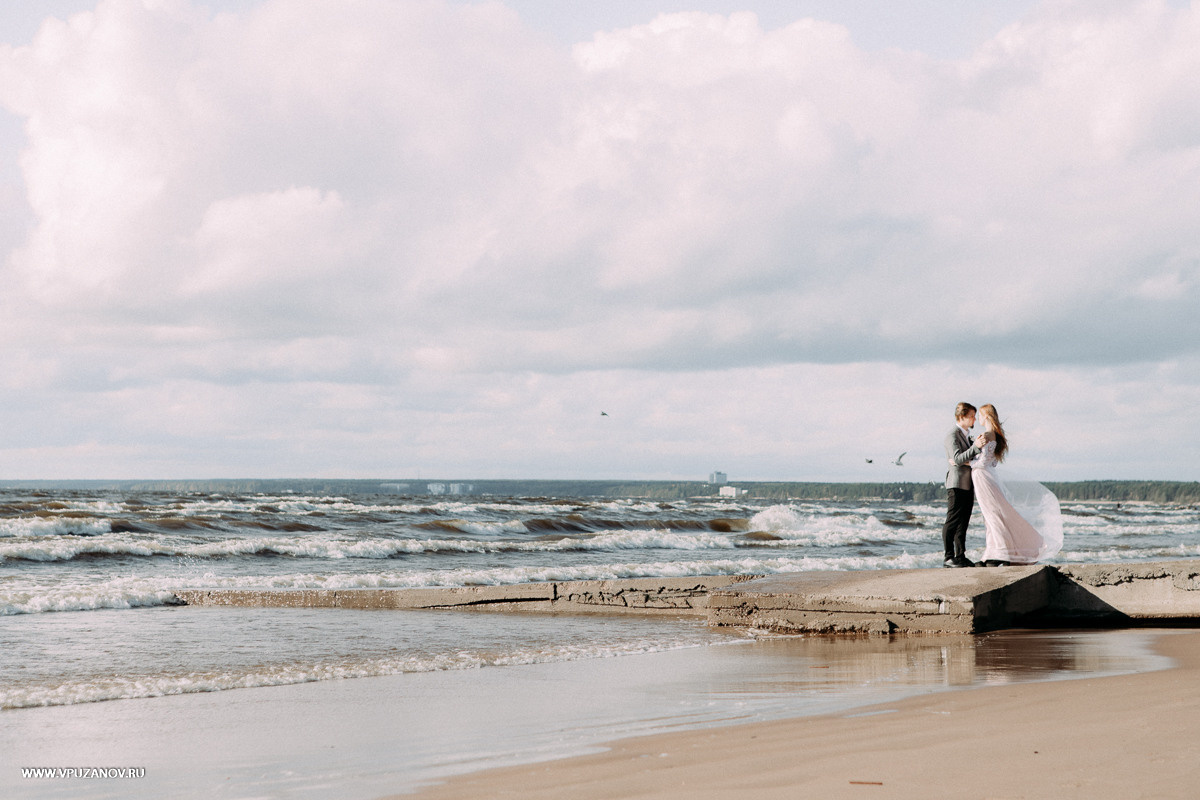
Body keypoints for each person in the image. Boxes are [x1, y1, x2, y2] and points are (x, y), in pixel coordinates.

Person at [969, 404, 1063, 565]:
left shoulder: (986, 435)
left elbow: (983, 461)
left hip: (983, 477)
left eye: (980, 415)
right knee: (995, 514)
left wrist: (966, 462)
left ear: (986, 416)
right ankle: (997, 552)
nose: (978, 418)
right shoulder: (997, 435)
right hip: (988, 476)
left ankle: (1000, 552)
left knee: (992, 515)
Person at [942, 402, 991, 568]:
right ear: (961, 417)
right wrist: (976, 447)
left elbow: (965, 459)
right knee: (952, 521)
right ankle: (948, 557)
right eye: (971, 416)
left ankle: (960, 556)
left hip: (969, 484)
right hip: (956, 485)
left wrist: (974, 446)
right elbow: (957, 459)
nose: (975, 419)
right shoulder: (952, 435)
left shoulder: (967, 435)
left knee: (964, 522)